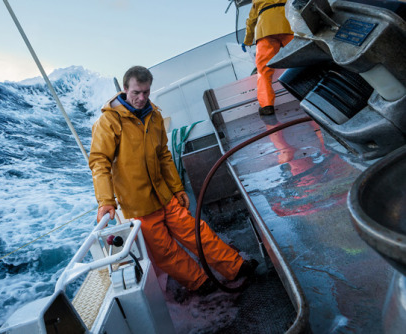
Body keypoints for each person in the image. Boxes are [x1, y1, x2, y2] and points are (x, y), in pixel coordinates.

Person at [89, 66, 258, 295]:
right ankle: (200, 283)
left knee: (197, 232)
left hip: (164, 195)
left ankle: (235, 267)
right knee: (165, 251)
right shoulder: (108, 122)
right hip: (139, 205)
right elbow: (100, 162)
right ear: (125, 89)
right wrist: (106, 201)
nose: (141, 98)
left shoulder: (154, 115)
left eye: (146, 92)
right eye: (136, 92)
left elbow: (163, 155)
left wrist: (178, 189)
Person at [242, 0, 294, 115]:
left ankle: (267, 106)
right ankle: (310, 93)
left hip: (265, 30)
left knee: (263, 71)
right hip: (287, 25)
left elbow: (251, 21)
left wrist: (247, 41)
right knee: (300, 61)